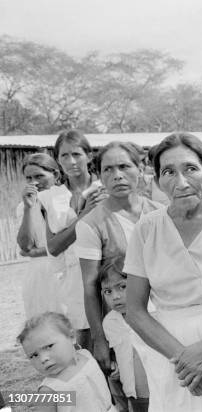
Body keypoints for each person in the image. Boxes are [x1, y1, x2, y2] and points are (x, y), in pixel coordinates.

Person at [123, 133, 202, 412]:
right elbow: (135, 310)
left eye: (190, 168)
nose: (181, 182)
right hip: (172, 358)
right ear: (157, 181)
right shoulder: (147, 229)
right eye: (168, 172)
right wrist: (184, 359)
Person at [75, 141, 163, 376]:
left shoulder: (161, 212)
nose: (117, 176)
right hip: (125, 325)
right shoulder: (91, 224)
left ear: (140, 168)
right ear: (99, 176)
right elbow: (89, 286)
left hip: (166, 316)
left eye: (124, 166)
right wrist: (100, 340)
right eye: (108, 169)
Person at [38, 130, 107, 351]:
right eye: (64, 156)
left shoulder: (103, 188)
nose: (71, 161)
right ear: (57, 159)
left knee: (120, 340)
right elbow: (55, 246)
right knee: (86, 344)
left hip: (109, 272)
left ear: (88, 155)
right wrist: (84, 216)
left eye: (76, 154)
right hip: (75, 280)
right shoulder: (52, 197)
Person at [18, 312, 116, 412]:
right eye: (34, 355)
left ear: (72, 337)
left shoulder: (86, 355)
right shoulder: (49, 391)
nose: (43, 359)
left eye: (49, 346)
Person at [16, 153, 64, 318]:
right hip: (39, 277)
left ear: (55, 175)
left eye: (39, 176)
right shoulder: (24, 207)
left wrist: (38, 252)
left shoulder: (67, 201)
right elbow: (25, 246)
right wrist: (29, 209)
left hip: (66, 270)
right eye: (29, 178)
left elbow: (71, 242)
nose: (34, 182)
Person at [101, 256, 149, 411]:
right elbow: (119, 351)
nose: (115, 297)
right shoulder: (109, 322)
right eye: (108, 291)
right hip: (134, 395)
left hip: (160, 389)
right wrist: (116, 366)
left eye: (122, 287)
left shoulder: (153, 313)